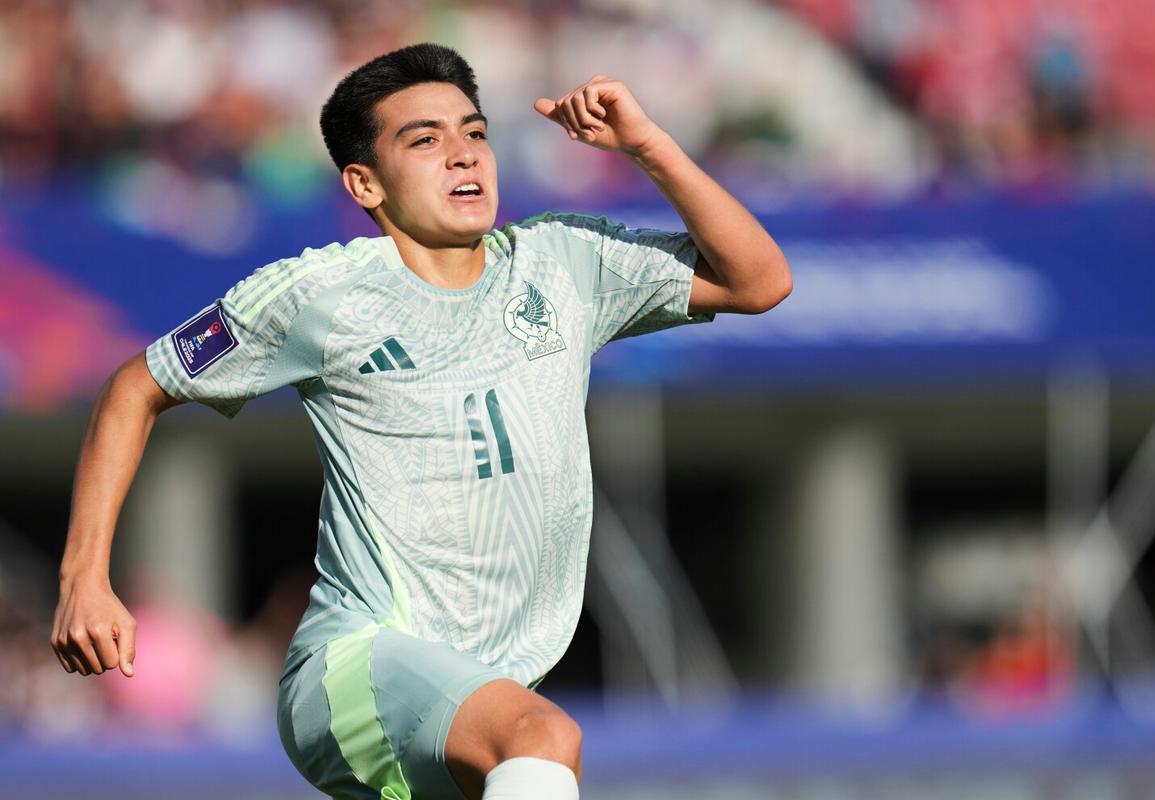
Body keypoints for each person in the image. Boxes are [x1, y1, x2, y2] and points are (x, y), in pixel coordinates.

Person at [51, 43, 791, 800]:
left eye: (475, 133)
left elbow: (758, 281)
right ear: (365, 183)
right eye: (425, 140)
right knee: (541, 739)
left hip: (474, 697)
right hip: (358, 666)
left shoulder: (564, 263)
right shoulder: (319, 294)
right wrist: (84, 579)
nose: (464, 155)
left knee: (533, 752)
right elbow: (136, 385)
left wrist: (648, 145)